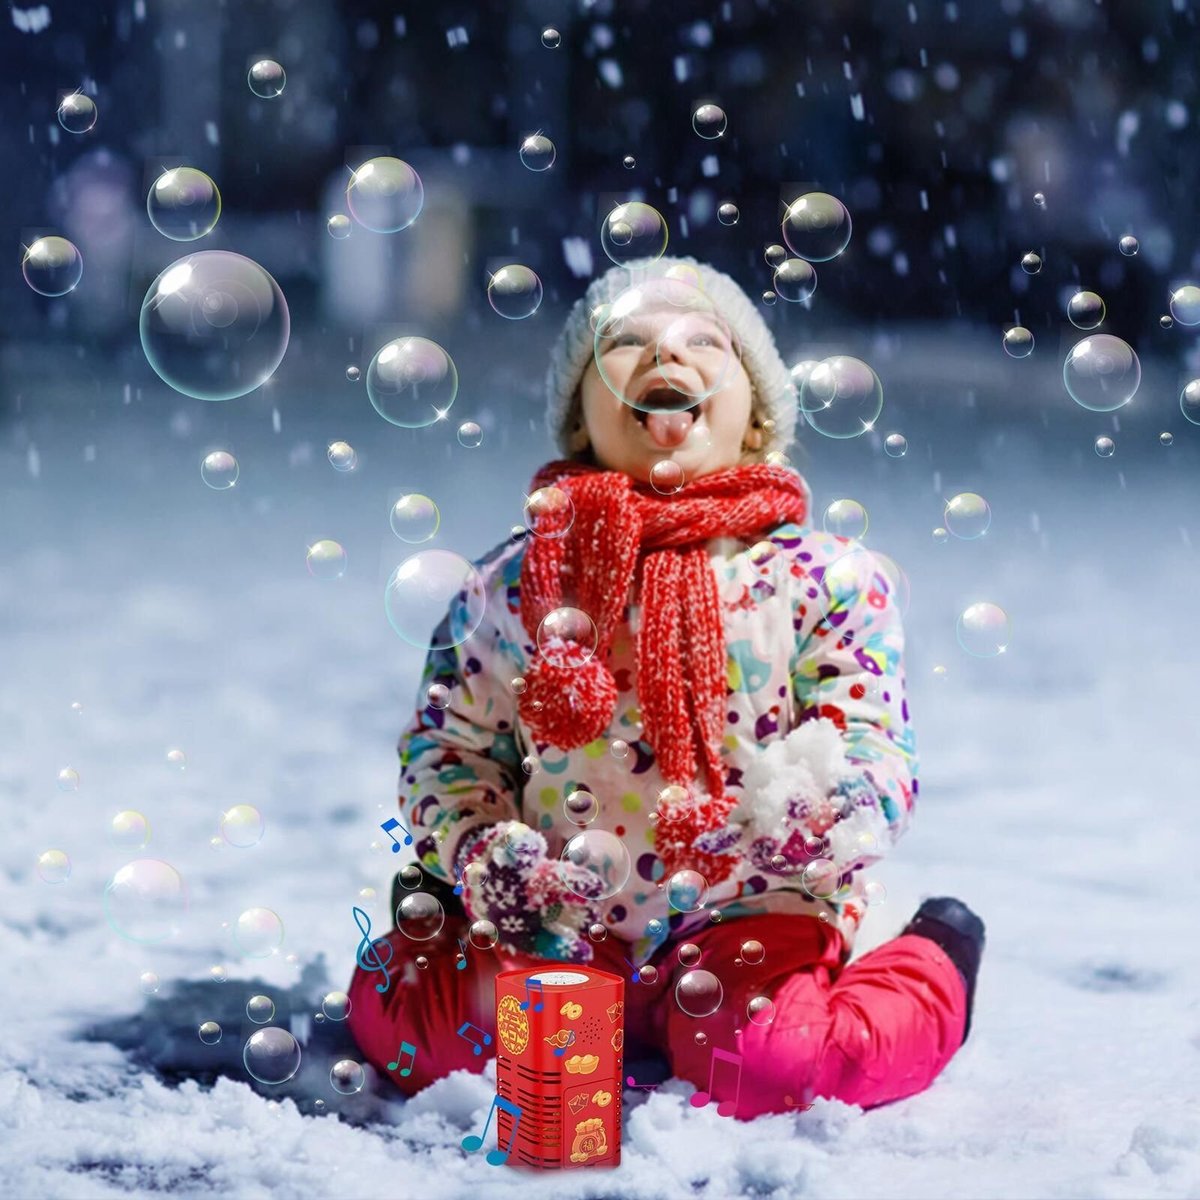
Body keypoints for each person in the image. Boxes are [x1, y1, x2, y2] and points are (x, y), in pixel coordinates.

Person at [345, 256, 985, 1118]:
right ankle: (454, 946)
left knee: (771, 1071)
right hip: (563, 913)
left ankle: (932, 957)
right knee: (437, 1045)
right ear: (582, 419)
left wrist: (819, 815)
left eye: (703, 342)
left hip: (752, 908)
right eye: (627, 345)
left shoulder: (822, 579)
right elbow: (450, 746)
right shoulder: (516, 583)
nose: (663, 357)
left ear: (756, 416)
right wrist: (478, 850)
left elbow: (871, 742)